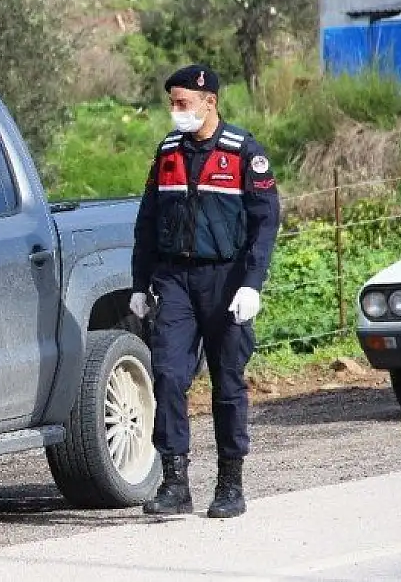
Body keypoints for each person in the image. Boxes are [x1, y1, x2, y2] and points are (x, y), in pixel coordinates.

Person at [129, 64, 280, 519]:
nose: (175, 112)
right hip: (175, 280)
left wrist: (252, 283)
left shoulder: (242, 153)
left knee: (227, 382)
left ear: (208, 101)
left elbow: (265, 223)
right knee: (170, 375)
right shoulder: (168, 151)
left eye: (182, 104)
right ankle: (175, 481)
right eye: (172, 104)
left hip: (227, 280)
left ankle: (230, 483)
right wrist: (140, 284)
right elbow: (148, 223)